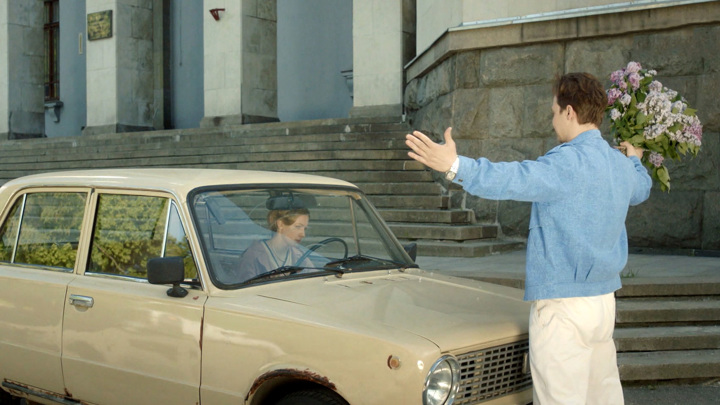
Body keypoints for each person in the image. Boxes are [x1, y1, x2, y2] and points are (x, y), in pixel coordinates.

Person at [405, 72, 652, 404]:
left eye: (553, 112)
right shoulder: (619, 165)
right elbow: (642, 188)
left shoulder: (566, 162)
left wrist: (454, 165)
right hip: (603, 303)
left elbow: (513, 178)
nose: (552, 121)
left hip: (563, 306)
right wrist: (635, 160)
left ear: (569, 112)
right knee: (604, 397)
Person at [238, 207, 314, 281]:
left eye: (305, 229)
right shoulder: (253, 256)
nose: (303, 234)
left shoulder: (299, 256)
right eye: (298, 227)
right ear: (280, 224)